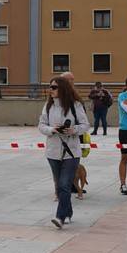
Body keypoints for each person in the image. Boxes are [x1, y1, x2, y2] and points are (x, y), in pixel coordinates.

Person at [39, 76, 90, 228]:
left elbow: (85, 124)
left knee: (64, 184)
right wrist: (52, 129)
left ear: (63, 89)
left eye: (54, 87)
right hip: (53, 151)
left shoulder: (75, 105)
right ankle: (68, 212)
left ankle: (60, 217)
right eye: (50, 87)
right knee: (60, 186)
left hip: (71, 152)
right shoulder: (48, 106)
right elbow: (41, 125)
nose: (51, 90)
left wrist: (74, 130)